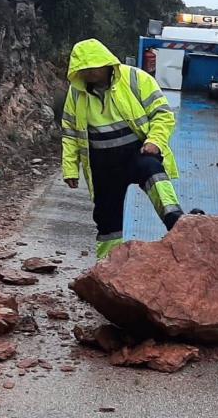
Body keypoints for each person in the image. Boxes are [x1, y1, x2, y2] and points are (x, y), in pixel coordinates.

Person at [60, 39, 196, 259]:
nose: (87, 74)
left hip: (137, 153)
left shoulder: (136, 78)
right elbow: (70, 132)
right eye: (82, 70)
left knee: (152, 171)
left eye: (91, 68)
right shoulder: (77, 92)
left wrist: (155, 141)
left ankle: (176, 221)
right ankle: (106, 266)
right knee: (106, 218)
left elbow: (163, 114)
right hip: (102, 164)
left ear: (105, 63)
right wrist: (70, 169)